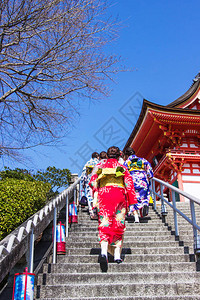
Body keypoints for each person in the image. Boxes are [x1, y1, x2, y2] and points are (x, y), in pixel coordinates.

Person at [89, 146, 137, 272]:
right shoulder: (122, 167)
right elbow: (129, 183)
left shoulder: (100, 166)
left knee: (104, 222)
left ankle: (104, 252)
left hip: (104, 195)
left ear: (108, 155)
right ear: (118, 155)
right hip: (119, 195)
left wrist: (95, 194)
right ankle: (116, 255)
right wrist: (131, 201)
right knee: (118, 223)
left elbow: (93, 181)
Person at [124, 147, 154, 222]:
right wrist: (149, 176)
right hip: (143, 180)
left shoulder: (127, 162)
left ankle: (136, 216)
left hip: (132, 180)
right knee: (143, 196)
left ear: (127, 155)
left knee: (133, 197)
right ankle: (144, 204)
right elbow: (150, 171)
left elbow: (124, 171)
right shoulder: (143, 160)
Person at [81, 152, 99, 218]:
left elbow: (83, 174)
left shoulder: (88, 163)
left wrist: (83, 183)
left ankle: (92, 212)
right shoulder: (99, 163)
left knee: (90, 196)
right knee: (96, 196)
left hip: (89, 182)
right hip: (97, 182)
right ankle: (97, 211)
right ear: (97, 157)